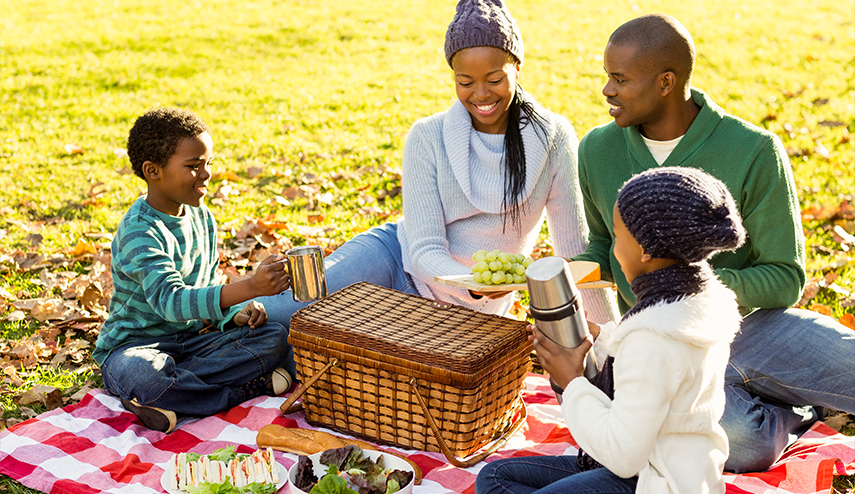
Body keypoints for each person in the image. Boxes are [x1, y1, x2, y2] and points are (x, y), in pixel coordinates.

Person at [572, 13, 855, 472]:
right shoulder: (596, 150)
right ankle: (795, 412)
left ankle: (772, 385)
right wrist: (562, 276)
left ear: (666, 82)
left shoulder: (753, 149)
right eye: (607, 76)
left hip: (759, 329)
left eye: (619, 79)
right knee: (743, 443)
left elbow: (785, 277)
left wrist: (690, 288)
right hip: (668, 348)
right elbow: (604, 245)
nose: (607, 89)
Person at [260, 0, 619, 327]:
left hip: (467, 311)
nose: (480, 94)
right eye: (465, 82)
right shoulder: (428, 137)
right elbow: (424, 248)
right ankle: (213, 322)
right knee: (277, 316)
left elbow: (573, 249)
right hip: (395, 261)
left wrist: (615, 336)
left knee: (337, 348)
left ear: (517, 67)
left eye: (495, 79)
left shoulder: (553, 137)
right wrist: (474, 284)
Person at [475, 167, 745, 494]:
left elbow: (622, 457)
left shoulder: (654, 339)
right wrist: (602, 339)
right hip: (684, 469)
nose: (614, 248)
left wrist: (571, 380)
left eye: (618, 235)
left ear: (645, 250)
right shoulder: (692, 302)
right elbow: (651, 376)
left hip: (657, 482)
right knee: (495, 479)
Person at [93, 108, 295, 433]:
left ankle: (171, 399)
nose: (206, 174)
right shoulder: (139, 231)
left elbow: (207, 286)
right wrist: (250, 287)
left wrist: (233, 315)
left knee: (274, 337)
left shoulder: (203, 218)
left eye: (208, 163)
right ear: (152, 171)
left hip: (192, 343)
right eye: (193, 166)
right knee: (142, 377)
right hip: (136, 348)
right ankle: (245, 389)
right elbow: (172, 301)